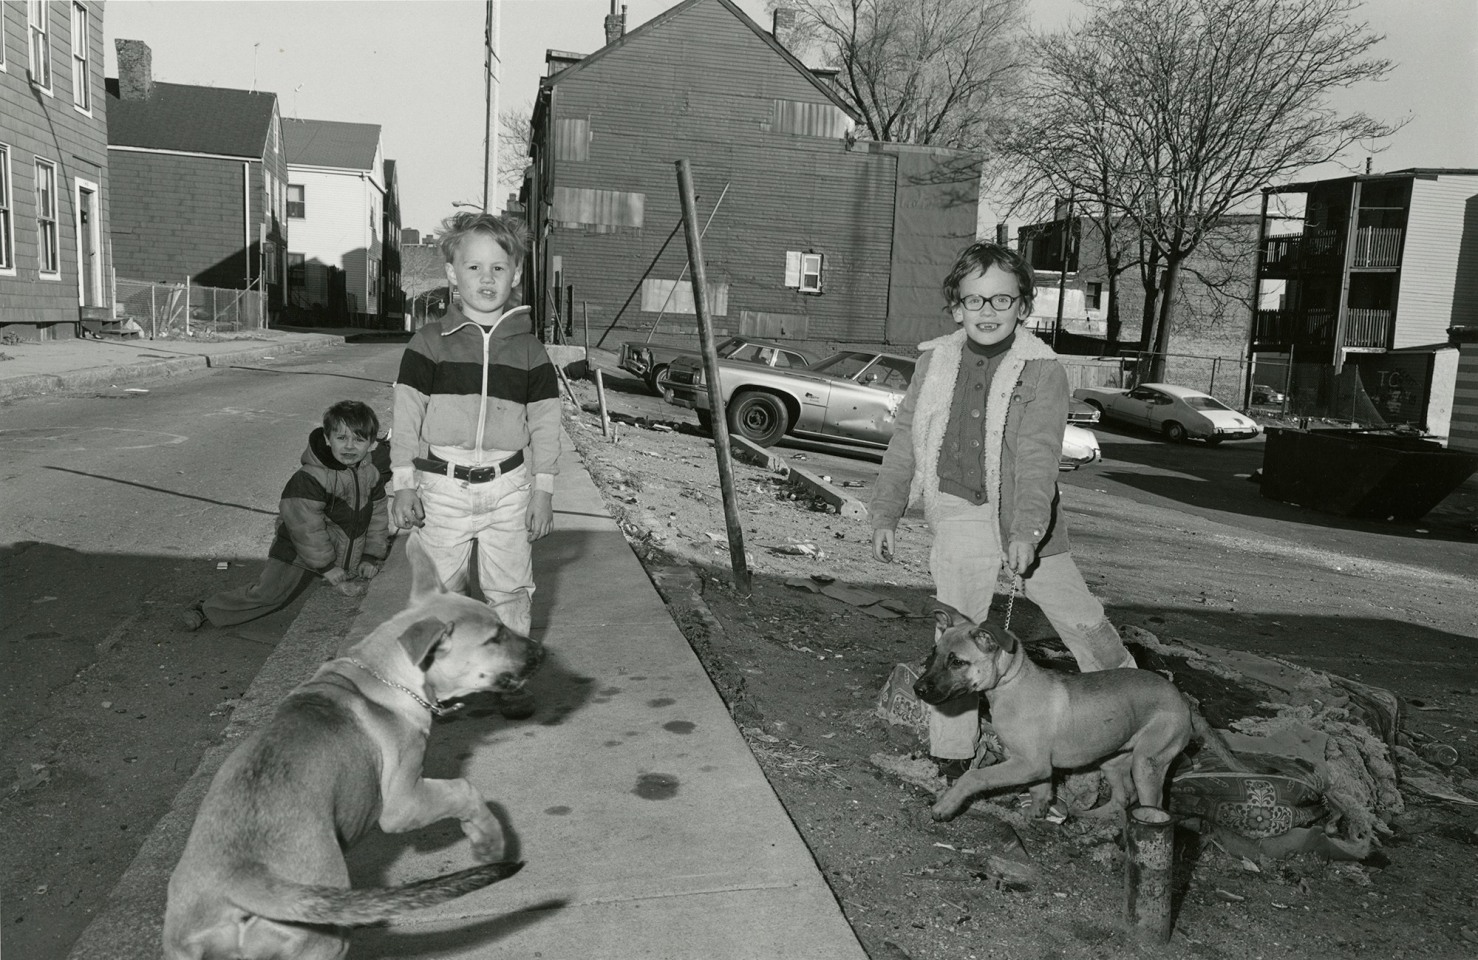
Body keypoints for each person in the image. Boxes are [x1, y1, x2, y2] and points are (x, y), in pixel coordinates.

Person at [868, 240, 1136, 779]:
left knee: (1084, 623)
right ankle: (951, 756)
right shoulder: (934, 361)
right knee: (952, 646)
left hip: (1025, 518)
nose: (987, 313)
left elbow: (1037, 457)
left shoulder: (1043, 369)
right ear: (955, 306)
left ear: (1023, 305)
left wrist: (1027, 531)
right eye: (975, 301)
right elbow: (906, 439)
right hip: (957, 512)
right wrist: (886, 512)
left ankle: (1134, 716)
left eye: (1001, 301)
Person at [389, 212, 559, 717]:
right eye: (474, 267)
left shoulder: (529, 350)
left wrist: (542, 489)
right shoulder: (429, 343)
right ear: (451, 273)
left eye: (499, 268)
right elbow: (407, 413)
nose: (487, 279)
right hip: (442, 484)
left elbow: (546, 422)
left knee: (510, 589)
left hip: (508, 484)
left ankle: (508, 675)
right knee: (440, 593)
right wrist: (403, 483)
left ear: (516, 275)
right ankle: (433, 683)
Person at [181, 400, 389, 631]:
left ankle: (329, 570)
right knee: (269, 594)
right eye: (341, 438)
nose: (350, 446)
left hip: (334, 549)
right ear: (328, 439)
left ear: (371, 444)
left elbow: (378, 516)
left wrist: (370, 555)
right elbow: (304, 528)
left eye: (359, 439)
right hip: (297, 550)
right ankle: (208, 609)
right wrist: (326, 566)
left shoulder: (371, 475)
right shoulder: (310, 478)